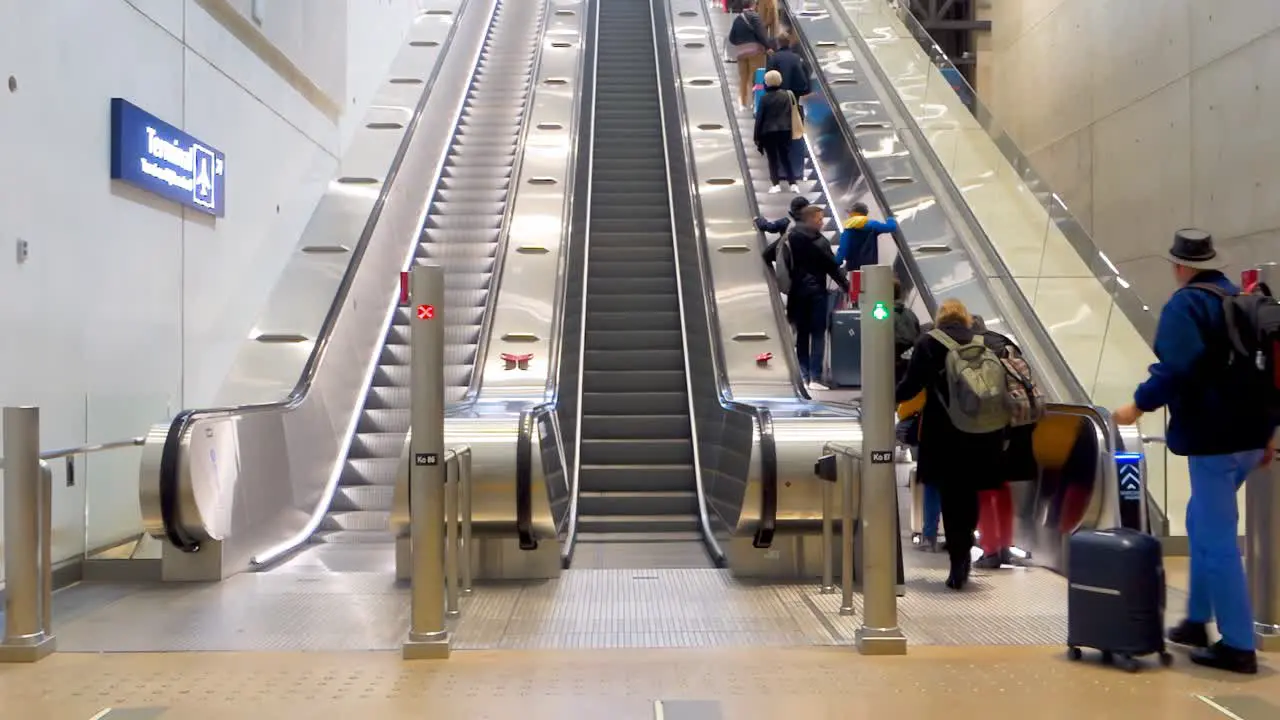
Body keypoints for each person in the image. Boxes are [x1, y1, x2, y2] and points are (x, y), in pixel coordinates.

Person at [1113, 229, 1277, 675]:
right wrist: (1271, 431)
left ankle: (1239, 645)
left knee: (1219, 538)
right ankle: (1196, 621)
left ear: (1180, 266)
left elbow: (1176, 367)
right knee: (1199, 520)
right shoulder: (1245, 302)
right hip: (1253, 438)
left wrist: (1138, 404)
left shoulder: (1186, 304)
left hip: (1214, 442)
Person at [895, 298, 1007, 590]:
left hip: (945, 433)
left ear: (940, 318)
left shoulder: (929, 343)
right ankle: (965, 548)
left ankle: (958, 559)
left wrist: (883, 396)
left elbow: (911, 386)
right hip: (984, 433)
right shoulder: (985, 342)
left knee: (951, 496)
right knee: (969, 494)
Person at [763, 204, 849, 389]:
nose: (822, 222)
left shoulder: (789, 237)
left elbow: (767, 255)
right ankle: (815, 378)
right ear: (809, 219)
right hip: (816, 294)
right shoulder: (820, 242)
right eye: (819, 219)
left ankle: (804, 375)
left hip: (796, 294)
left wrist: (781, 277)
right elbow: (832, 268)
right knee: (818, 334)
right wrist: (847, 287)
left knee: (802, 335)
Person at [968, 314, 1017, 570]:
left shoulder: (974, 351)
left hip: (985, 427)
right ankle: (1006, 546)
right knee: (1002, 488)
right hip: (1012, 425)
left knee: (985, 492)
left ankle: (990, 550)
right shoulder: (1005, 344)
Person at [754, 70, 800, 194]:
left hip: (768, 132)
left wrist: (756, 136)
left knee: (772, 159)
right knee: (785, 158)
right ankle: (793, 184)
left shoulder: (764, 98)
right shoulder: (787, 95)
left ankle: (776, 184)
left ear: (766, 82)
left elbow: (760, 118)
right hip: (785, 130)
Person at [728, 1, 774, 110]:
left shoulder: (737, 19)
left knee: (743, 78)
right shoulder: (755, 17)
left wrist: (740, 44)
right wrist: (768, 47)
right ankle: (755, 102)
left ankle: (742, 103)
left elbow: (731, 38)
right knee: (756, 78)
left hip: (741, 53)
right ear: (754, 5)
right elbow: (761, 34)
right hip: (755, 52)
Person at [835, 202, 898, 272]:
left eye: (850, 213)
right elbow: (891, 227)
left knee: (858, 282)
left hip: (854, 268)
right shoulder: (872, 225)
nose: (849, 215)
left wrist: (836, 263)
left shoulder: (849, 229)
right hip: (870, 267)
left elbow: (843, 249)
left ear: (855, 213)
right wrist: (890, 218)